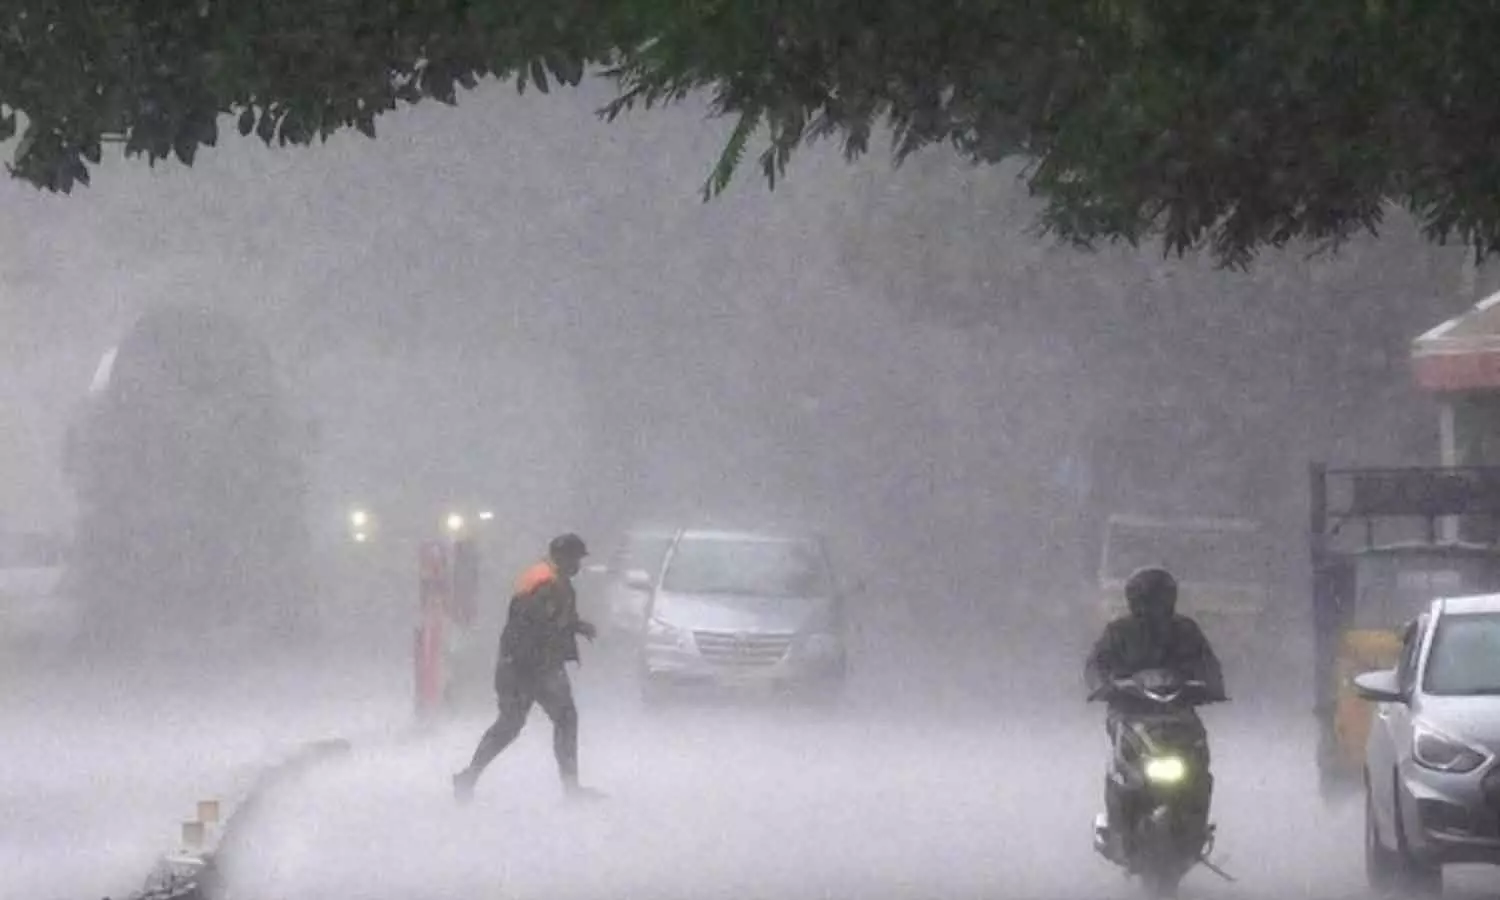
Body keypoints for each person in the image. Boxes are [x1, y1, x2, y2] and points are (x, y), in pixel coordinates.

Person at [1085, 566, 1226, 859]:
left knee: (1200, 755)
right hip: (1130, 712)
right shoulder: (1118, 632)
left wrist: (1211, 686)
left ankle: (1196, 825)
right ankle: (1118, 826)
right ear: (1134, 600)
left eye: (1159, 599)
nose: (1154, 606)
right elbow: (1097, 664)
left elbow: (1208, 663)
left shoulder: (1186, 631)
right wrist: (1104, 686)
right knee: (1122, 762)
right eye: (1148, 599)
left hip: (1178, 713)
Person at [453, 533, 600, 803]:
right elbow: (534, 626)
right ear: (562, 558)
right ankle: (571, 789)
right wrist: (534, 666)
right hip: (531, 667)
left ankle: (469, 776)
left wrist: (577, 627)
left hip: (528, 665)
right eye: (575, 559)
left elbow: (552, 619)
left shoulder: (552, 580)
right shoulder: (546, 583)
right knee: (549, 721)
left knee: (518, 724)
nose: (578, 565)